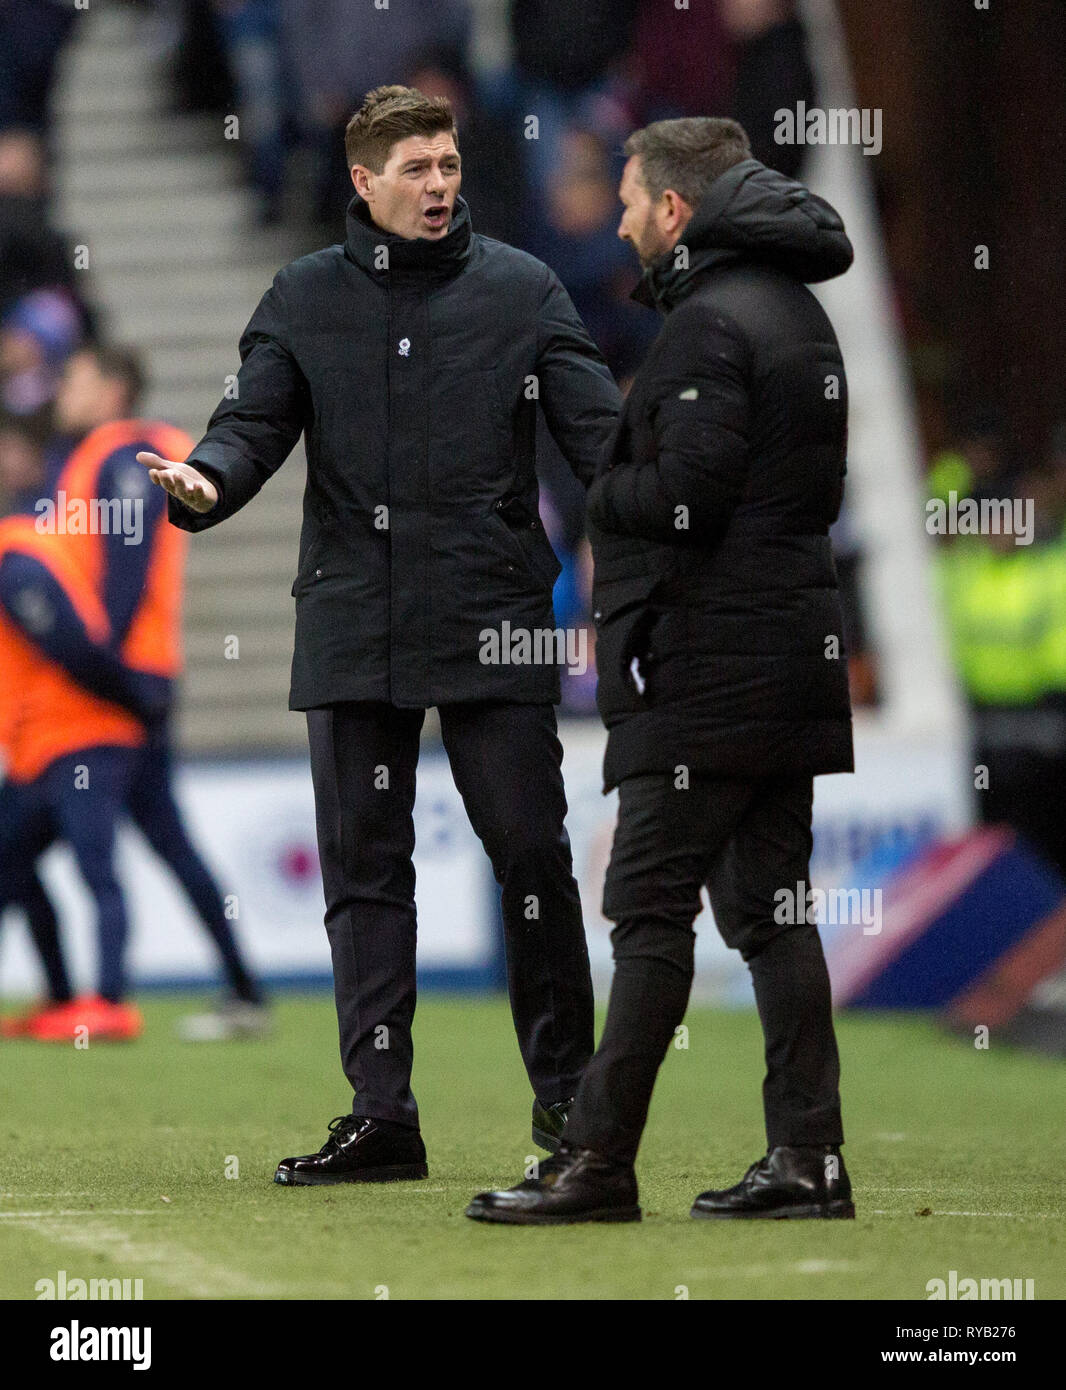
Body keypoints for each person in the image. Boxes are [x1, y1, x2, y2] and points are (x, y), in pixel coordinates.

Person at [139, 85, 620, 1184]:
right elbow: (253, 418)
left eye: (448, 166)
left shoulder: (524, 288)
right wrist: (206, 481)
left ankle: (567, 1102)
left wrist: (671, 508)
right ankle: (382, 1115)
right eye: (417, 170)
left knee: (534, 857)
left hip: (495, 614)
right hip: (355, 612)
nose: (440, 185)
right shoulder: (304, 295)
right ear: (364, 182)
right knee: (365, 872)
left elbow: (600, 439)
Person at [467, 117, 856, 1225]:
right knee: (772, 909)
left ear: (675, 211)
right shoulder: (793, 309)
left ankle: (595, 1161)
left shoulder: (706, 327)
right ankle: (808, 1158)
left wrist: (604, 487)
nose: (625, 217)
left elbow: (691, 495)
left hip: (710, 661)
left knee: (646, 907)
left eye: (633, 199)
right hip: (786, 648)